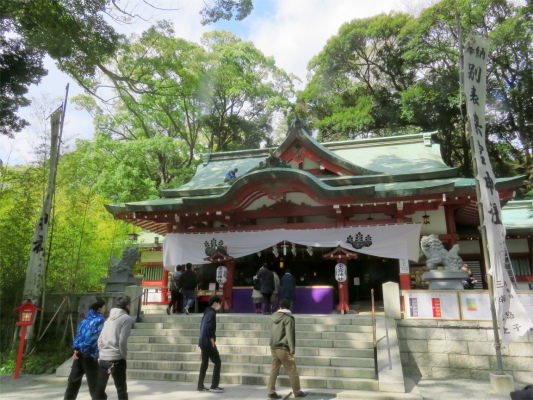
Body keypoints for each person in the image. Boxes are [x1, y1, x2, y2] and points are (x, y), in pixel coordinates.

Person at [64, 298, 106, 400]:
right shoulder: (99, 320)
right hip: (89, 354)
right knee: (94, 383)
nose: (105, 308)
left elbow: (78, 335)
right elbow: (92, 338)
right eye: (104, 306)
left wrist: (76, 349)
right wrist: (81, 350)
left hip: (79, 353)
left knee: (73, 381)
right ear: (100, 307)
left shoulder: (85, 320)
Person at [93, 295, 133, 400]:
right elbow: (122, 340)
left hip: (104, 359)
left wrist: (102, 352)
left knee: (100, 388)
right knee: (121, 389)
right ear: (128, 305)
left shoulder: (108, 319)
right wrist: (123, 355)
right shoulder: (127, 319)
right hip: (117, 358)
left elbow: (100, 339)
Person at [267, 299, 308, 399]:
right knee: (292, 370)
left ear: (280, 306)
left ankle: (271, 392)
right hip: (283, 347)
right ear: (289, 306)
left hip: (273, 346)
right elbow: (289, 334)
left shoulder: (274, 316)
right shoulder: (288, 318)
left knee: (274, 370)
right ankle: (297, 392)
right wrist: (292, 348)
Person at [197, 295, 224, 393]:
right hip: (208, 341)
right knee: (217, 362)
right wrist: (212, 339)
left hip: (202, 341)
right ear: (215, 303)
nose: (219, 305)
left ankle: (200, 386)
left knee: (204, 363)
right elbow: (210, 327)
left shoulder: (206, 312)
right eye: (219, 303)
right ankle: (214, 385)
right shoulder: (212, 313)